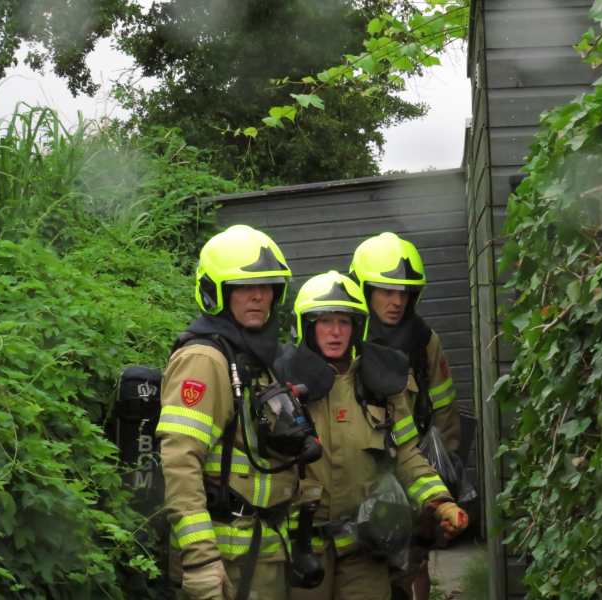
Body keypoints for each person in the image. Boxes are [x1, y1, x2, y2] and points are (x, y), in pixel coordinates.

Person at [274, 271, 468, 600]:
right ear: (307, 326)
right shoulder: (280, 387)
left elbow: (407, 456)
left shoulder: (379, 386)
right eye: (324, 322)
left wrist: (440, 503)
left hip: (364, 547)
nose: (335, 332)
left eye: (344, 322)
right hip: (301, 549)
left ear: (357, 328)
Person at [157, 225, 320, 600]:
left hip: (261, 556)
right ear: (217, 292)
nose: (259, 296)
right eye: (245, 287)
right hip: (222, 564)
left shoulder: (255, 358)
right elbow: (180, 462)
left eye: (267, 286)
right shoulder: (205, 358)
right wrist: (199, 561)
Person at [349, 232, 462, 600]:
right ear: (363, 288)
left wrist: (444, 473)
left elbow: (444, 410)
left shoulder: (423, 341)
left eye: (405, 292)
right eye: (386, 290)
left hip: (411, 470)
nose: (397, 301)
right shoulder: (342, 334)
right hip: (354, 478)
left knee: (412, 567)